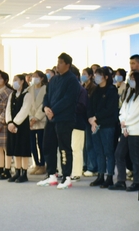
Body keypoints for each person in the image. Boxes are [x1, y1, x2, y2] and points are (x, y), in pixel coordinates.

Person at [40, 53, 81, 189]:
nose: (58, 65)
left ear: (67, 65)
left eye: (61, 63)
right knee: (48, 145)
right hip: (51, 118)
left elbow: (68, 99)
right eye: (57, 62)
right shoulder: (53, 79)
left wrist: (53, 111)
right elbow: (47, 95)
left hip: (64, 119)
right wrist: (46, 108)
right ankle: (51, 174)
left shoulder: (72, 80)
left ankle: (66, 176)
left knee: (64, 148)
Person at [111, 70, 139, 192]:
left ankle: (138, 182)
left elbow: (137, 114)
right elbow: (123, 110)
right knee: (119, 154)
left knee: (135, 158)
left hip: (136, 131)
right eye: (130, 78)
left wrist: (126, 124)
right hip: (126, 130)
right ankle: (121, 180)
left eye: (133, 79)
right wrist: (123, 124)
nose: (130, 81)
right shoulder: (130, 92)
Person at [88, 66, 118, 188]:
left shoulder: (112, 90)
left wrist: (96, 117)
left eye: (99, 75)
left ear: (106, 77)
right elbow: (90, 106)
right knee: (98, 151)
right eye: (96, 75)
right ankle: (100, 175)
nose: (97, 77)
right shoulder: (95, 90)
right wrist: (91, 119)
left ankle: (109, 176)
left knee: (108, 151)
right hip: (95, 124)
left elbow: (110, 109)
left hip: (107, 124)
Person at [5, 74, 33, 183]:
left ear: (22, 81)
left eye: (16, 80)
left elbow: (24, 110)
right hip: (12, 126)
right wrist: (9, 122)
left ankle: (24, 173)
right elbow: (8, 109)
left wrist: (15, 123)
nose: (14, 82)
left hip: (22, 126)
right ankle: (17, 171)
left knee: (23, 149)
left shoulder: (27, 95)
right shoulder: (12, 94)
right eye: (13, 80)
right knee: (15, 149)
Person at [27, 71, 48, 176]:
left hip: (41, 120)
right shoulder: (29, 89)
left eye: (36, 76)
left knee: (41, 144)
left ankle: (43, 165)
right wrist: (31, 118)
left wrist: (36, 117)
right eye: (33, 76)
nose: (34, 78)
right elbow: (27, 105)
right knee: (32, 145)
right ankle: (36, 164)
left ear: (41, 78)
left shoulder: (45, 89)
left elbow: (44, 104)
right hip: (31, 122)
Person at [81, 67, 98, 177]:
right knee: (85, 144)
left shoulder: (93, 88)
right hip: (83, 118)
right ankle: (86, 165)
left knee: (90, 144)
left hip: (91, 118)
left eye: (85, 74)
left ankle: (93, 167)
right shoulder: (82, 87)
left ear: (90, 76)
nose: (83, 76)